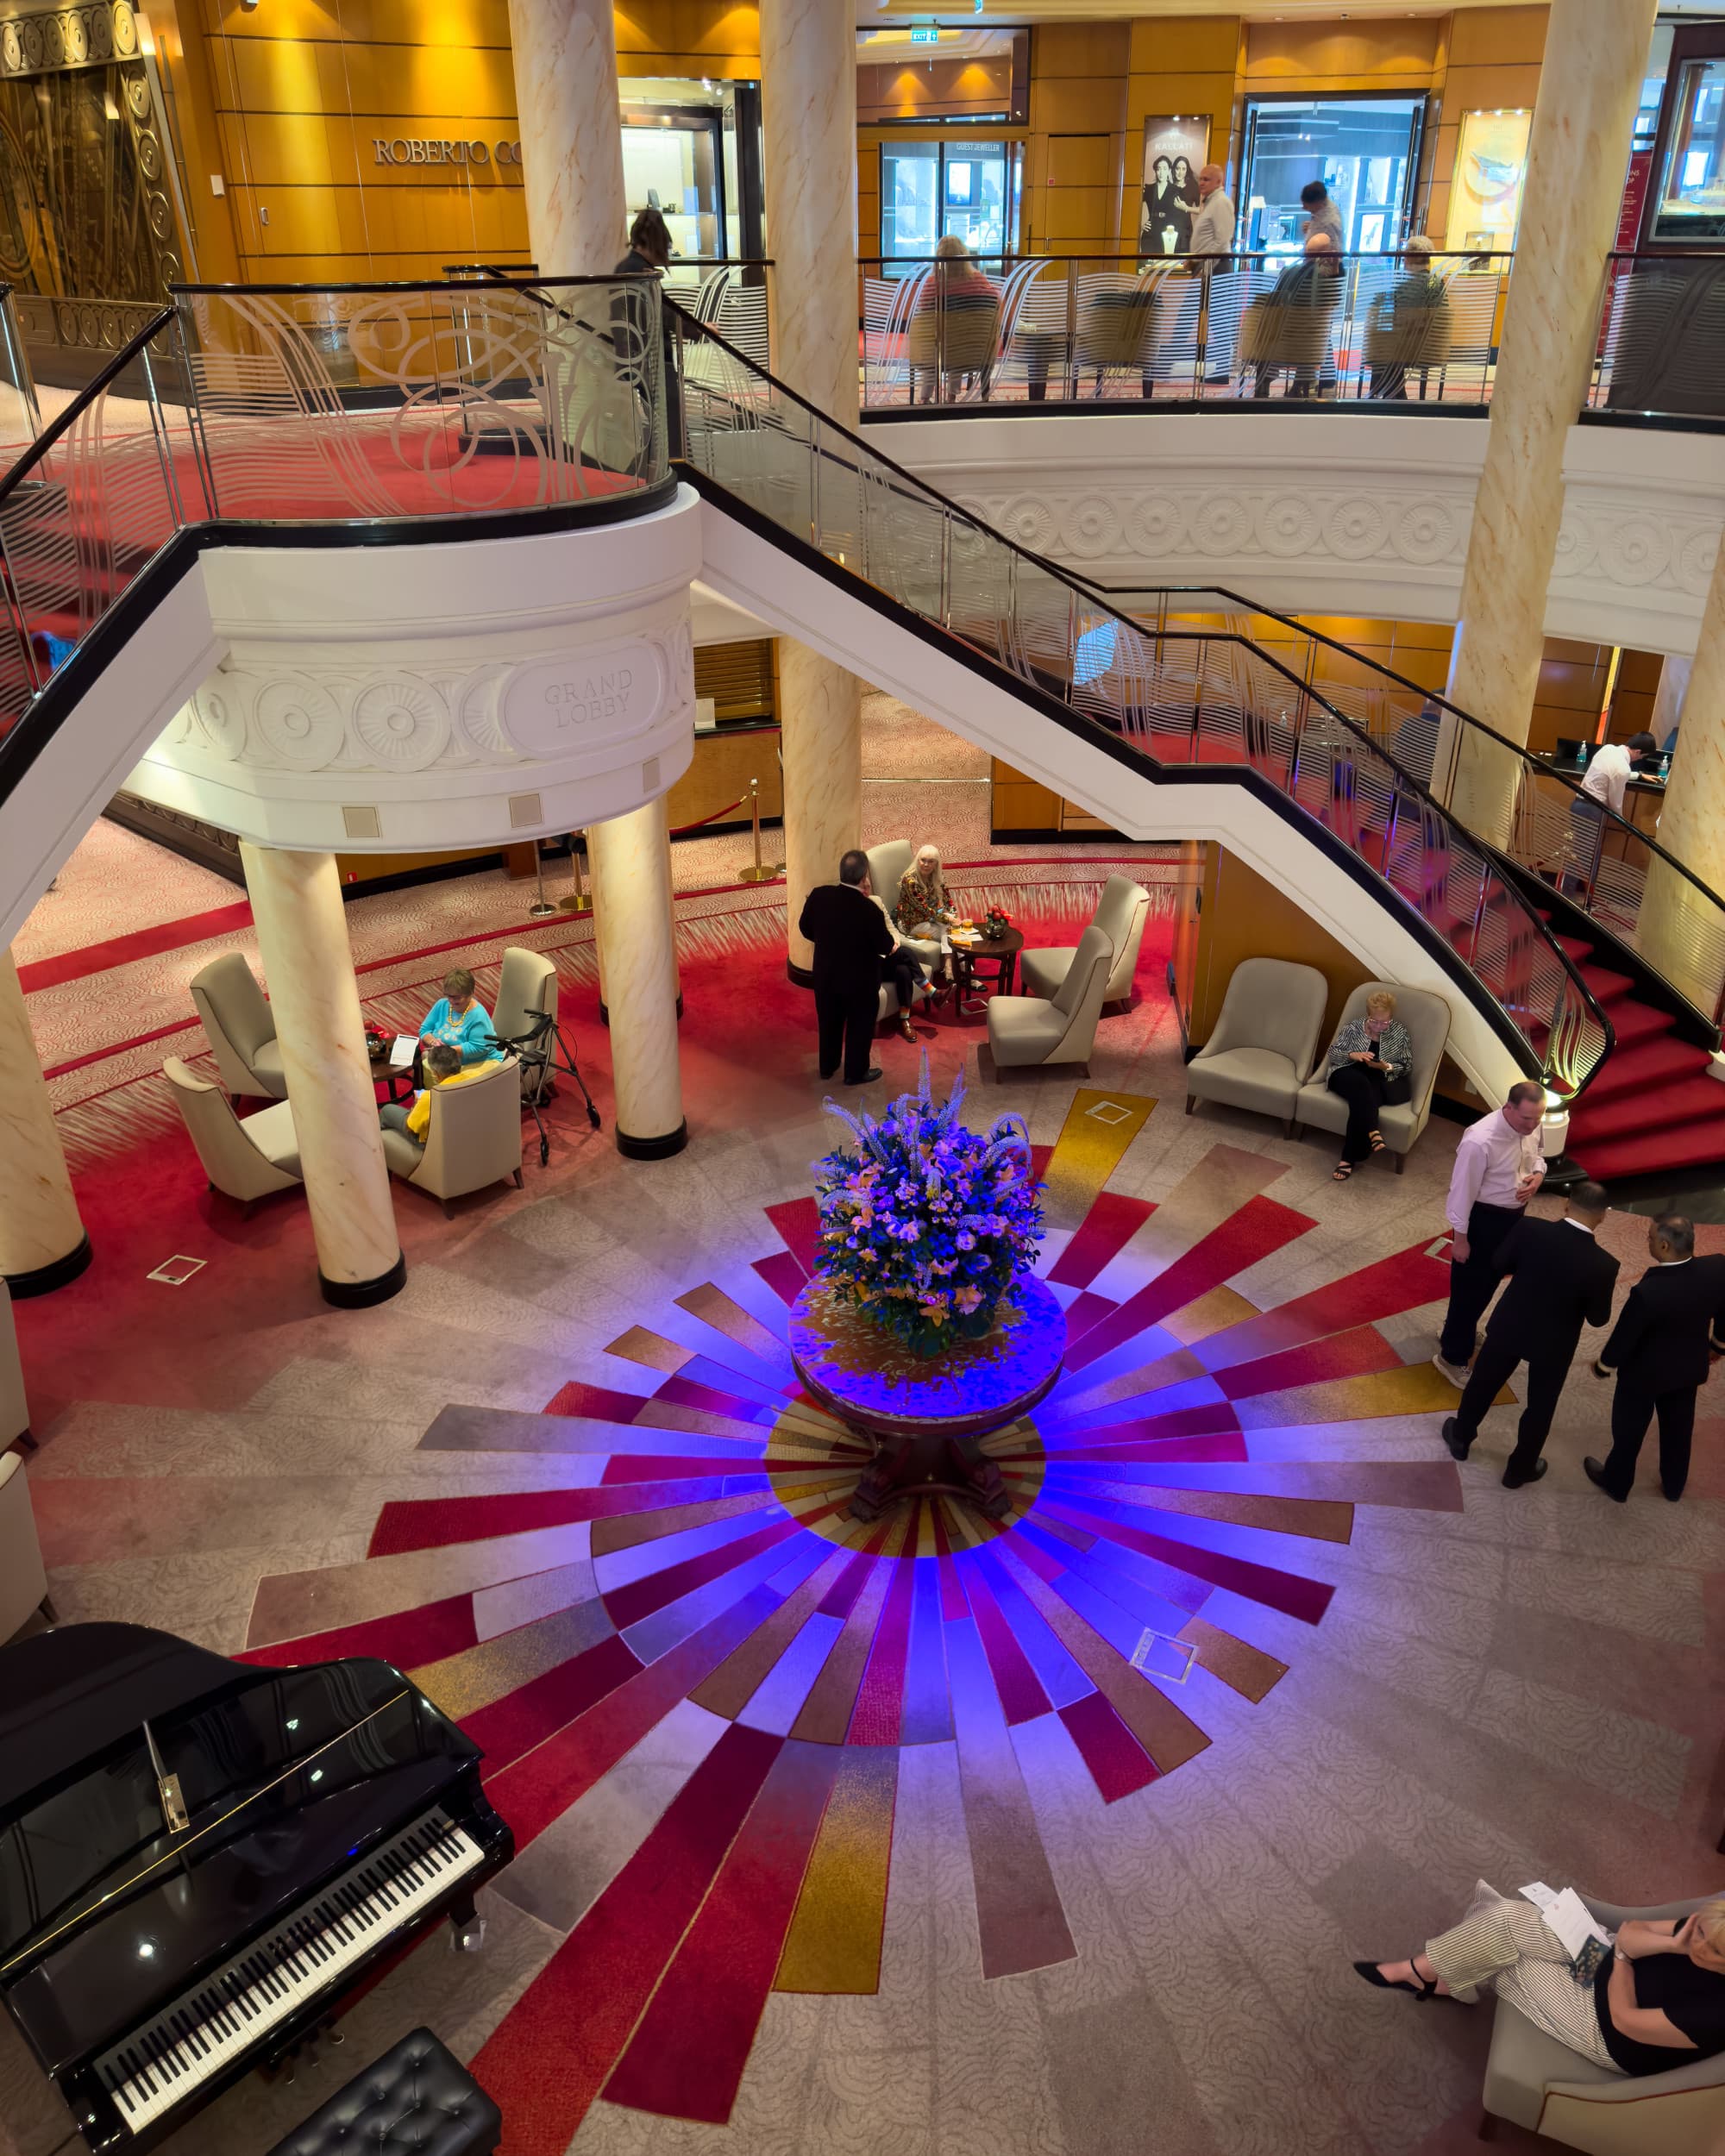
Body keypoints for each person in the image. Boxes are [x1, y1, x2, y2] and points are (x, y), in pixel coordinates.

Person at [1354, 1888, 1725, 2081]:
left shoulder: (1717, 2014)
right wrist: (1664, 1944)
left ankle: (1425, 1976)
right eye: (1700, 1931)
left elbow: (1626, 2020)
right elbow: (1632, 1931)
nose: (1698, 1943)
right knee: (1503, 1918)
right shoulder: (1713, 1926)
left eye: (1711, 1949)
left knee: (1500, 1955)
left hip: (1605, 2028)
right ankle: (1427, 1973)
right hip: (1607, 1959)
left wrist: (1626, 1955)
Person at [1440, 1181, 1619, 1488]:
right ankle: (1519, 1469)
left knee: (1484, 1383)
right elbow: (1598, 1318)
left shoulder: (1530, 1229)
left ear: (1566, 1205)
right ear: (1603, 1216)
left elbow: (1499, 1263)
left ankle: (1461, 1438)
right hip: (1555, 1344)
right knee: (1541, 1406)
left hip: (1510, 1325)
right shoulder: (1605, 1265)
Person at [1586, 1212, 1725, 1503]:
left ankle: (1617, 1482)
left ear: (1664, 1246)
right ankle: (1674, 1486)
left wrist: (1603, 1366)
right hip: (1688, 1369)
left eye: (1649, 1238)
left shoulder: (1648, 1292)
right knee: (1679, 1430)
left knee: (1629, 1431)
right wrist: (1718, 1344)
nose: (1646, 1241)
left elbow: (1624, 1338)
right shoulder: (1718, 1267)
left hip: (1642, 1377)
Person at [1432, 1081, 1547, 1386]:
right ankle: (1451, 1357)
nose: (1534, 1125)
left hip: (1512, 1218)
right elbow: (1461, 1193)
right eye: (1527, 1118)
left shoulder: (1531, 1125)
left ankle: (1458, 1330)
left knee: (1487, 1285)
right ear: (1508, 1107)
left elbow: (1536, 1155)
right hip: (1482, 1220)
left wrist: (1538, 1175)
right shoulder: (1479, 1140)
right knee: (1469, 1290)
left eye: (1539, 1117)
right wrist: (1460, 1239)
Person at [798, 850, 896, 1087]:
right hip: (860, 982)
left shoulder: (819, 896)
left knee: (829, 1021)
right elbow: (885, 944)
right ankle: (855, 1072)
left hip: (826, 976)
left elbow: (805, 928)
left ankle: (827, 1067)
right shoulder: (870, 910)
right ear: (864, 877)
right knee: (859, 1026)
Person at [1322, 989, 1414, 1181]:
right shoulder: (1353, 1028)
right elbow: (1333, 1053)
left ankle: (1347, 1159)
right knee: (1361, 1085)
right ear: (1368, 1015)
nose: (1380, 1026)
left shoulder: (1400, 1032)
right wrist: (1352, 1055)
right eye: (1375, 1021)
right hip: (1347, 1073)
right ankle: (1372, 1130)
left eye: (1385, 1022)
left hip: (1379, 1078)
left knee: (1363, 1100)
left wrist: (1385, 1066)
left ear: (1391, 1017)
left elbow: (1406, 1066)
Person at [612, 205, 681, 456]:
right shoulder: (639, 273)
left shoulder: (627, 267)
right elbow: (659, 314)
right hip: (649, 361)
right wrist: (696, 329)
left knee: (656, 422)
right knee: (668, 419)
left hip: (636, 360)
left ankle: (662, 468)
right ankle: (674, 470)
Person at [1247, 231, 1341, 399]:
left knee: (1270, 338)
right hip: (1305, 348)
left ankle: (1263, 390)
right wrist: (1335, 268)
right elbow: (1331, 304)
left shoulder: (1289, 272)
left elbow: (1271, 301)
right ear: (1326, 255)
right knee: (1315, 337)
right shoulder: (1323, 279)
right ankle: (1301, 387)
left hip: (1274, 343)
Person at [1366, 235, 1447, 398]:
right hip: (1423, 342)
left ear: (1411, 257)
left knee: (1382, 351)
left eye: (1405, 255)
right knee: (1384, 349)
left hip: (1415, 345)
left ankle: (1385, 396)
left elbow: (1396, 312)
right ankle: (1390, 395)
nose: (1403, 259)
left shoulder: (1416, 284)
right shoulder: (1435, 282)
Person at [895, 843, 959, 989]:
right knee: (951, 933)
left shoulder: (937, 876)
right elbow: (924, 909)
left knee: (951, 929)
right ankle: (960, 971)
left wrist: (953, 913)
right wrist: (948, 919)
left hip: (931, 919)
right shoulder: (910, 880)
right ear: (918, 860)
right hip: (911, 923)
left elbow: (948, 900)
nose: (926, 864)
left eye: (931, 861)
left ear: (936, 863)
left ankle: (951, 966)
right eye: (923, 860)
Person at [380, 1041, 471, 1141]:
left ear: (436, 1073)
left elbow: (411, 1128)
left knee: (387, 1110)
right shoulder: (474, 1079)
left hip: (435, 1142)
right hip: (465, 1133)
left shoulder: (429, 1098)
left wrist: (416, 1105)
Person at [418, 968, 503, 1067]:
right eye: (448, 995)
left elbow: (479, 1048)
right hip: (448, 1060)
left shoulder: (478, 1015)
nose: (451, 1001)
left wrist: (447, 1052)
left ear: (471, 994)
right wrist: (433, 1042)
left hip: (479, 1062)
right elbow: (424, 1030)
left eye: (457, 997)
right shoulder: (441, 1004)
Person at [1188, 163, 1236, 258]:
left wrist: (1206, 265)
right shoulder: (1211, 202)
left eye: (1206, 179)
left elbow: (1222, 241)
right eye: (1200, 179)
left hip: (1216, 266)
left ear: (1218, 182)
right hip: (1207, 265)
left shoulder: (1221, 202)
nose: (1201, 183)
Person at [1301, 179, 1344, 251]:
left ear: (1319, 203)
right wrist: (1310, 230)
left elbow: (1333, 252)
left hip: (1319, 261)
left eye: (1307, 206)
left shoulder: (1329, 222)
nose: (1304, 208)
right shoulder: (1321, 209)